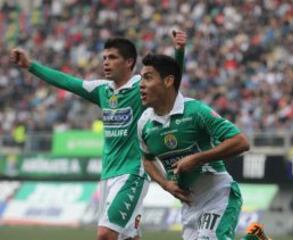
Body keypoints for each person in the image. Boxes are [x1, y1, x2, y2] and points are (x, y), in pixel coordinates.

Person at [10, 31, 187, 240]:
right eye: (104, 58)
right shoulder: (102, 90)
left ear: (129, 62)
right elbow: (66, 82)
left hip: (132, 173)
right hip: (107, 176)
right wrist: (31, 65)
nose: (106, 62)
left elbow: (170, 84)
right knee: (128, 237)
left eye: (112, 58)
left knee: (105, 234)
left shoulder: (142, 87)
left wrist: (179, 52)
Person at [137, 53, 271, 240]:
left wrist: (197, 158)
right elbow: (147, 160)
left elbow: (241, 142)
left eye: (148, 78)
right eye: (141, 78)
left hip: (218, 194)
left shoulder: (195, 112)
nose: (141, 84)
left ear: (168, 81)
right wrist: (166, 184)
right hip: (189, 205)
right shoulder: (144, 123)